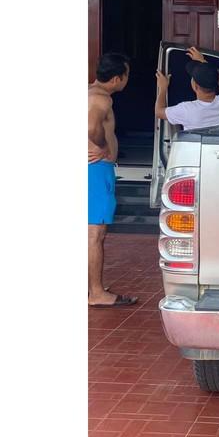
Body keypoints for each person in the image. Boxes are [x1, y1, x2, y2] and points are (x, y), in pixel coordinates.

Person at [88, 52, 138, 308]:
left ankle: (91, 286)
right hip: (96, 169)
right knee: (95, 232)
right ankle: (96, 293)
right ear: (117, 78)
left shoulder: (88, 92)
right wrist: (102, 146)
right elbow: (90, 127)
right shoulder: (101, 99)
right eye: (127, 75)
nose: (127, 79)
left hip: (92, 169)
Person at [155, 46, 219, 130]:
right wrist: (203, 62)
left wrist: (162, 88)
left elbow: (159, 112)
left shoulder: (186, 110)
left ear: (195, 86)